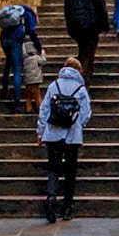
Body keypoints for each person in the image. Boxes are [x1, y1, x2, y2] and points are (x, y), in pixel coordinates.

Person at [37, 57, 93, 222]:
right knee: (70, 171)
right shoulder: (81, 88)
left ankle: (51, 196)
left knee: (54, 168)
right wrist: (77, 124)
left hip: (53, 133)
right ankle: (68, 206)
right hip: (72, 136)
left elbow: (44, 109)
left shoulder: (54, 86)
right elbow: (86, 113)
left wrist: (40, 131)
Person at [64, 0, 110, 82]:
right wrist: (105, 25)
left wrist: (70, 26)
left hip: (75, 24)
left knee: (83, 50)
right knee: (88, 53)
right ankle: (83, 82)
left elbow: (67, 5)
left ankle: (75, 77)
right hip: (90, 24)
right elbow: (100, 3)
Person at [0, 3, 43, 112]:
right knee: (17, 70)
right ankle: (17, 101)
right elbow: (32, 31)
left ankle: (4, 90)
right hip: (16, 40)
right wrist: (39, 47)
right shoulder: (29, 14)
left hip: (4, 38)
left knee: (8, 63)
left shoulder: (15, 11)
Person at [22, 41, 47, 115]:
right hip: (36, 79)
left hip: (28, 79)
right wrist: (42, 53)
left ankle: (28, 108)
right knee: (37, 94)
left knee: (29, 94)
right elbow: (43, 61)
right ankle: (39, 108)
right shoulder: (36, 58)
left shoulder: (25, 60)